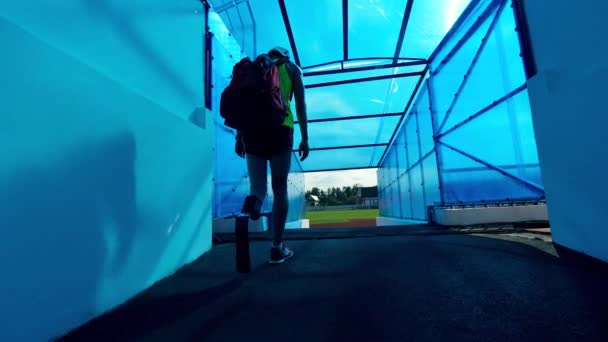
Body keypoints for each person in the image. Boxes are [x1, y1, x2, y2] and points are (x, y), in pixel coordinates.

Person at [235, 46, 309, 264]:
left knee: (257, 189)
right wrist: (305, 138)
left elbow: (243, 106)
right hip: (281, 128)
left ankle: (247, 213)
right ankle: (277, 247)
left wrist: (239, 137)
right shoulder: (291, 68)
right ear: (285, 54)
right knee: (279, 188)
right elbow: (301, 105)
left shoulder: (254, 70)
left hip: (252, 131)